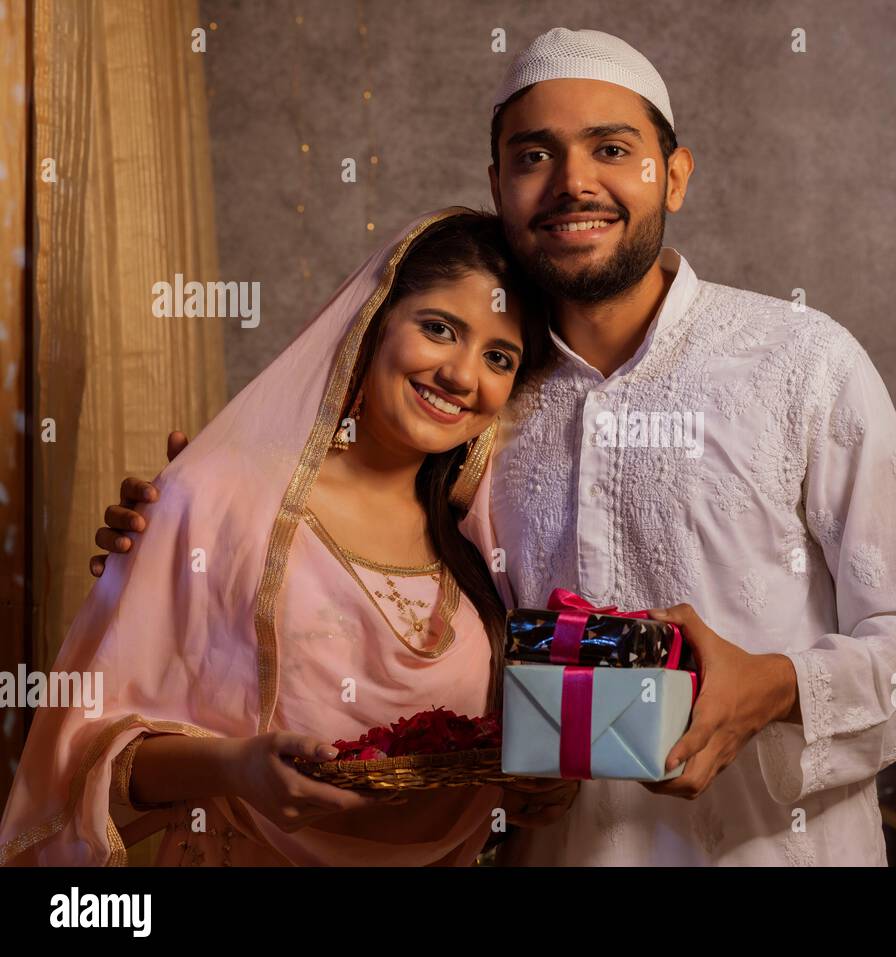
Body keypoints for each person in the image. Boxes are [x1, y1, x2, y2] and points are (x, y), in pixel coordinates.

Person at [90, 29, 896, 866]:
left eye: (611, 149)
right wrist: (197, 516)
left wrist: (775, 687)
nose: (572, 182)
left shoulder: (802, 364)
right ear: (497, 183)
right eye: (534, 155)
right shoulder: (475, 406)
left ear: (674, 175)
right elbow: (354, 554)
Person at [1, 208, 576, 866]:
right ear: (373, 322)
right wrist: (232, 768)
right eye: (439, 328)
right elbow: (81, 759)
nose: (461, 375)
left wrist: (530, 787)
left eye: (498, 356)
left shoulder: (484, 542)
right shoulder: (221, 496)